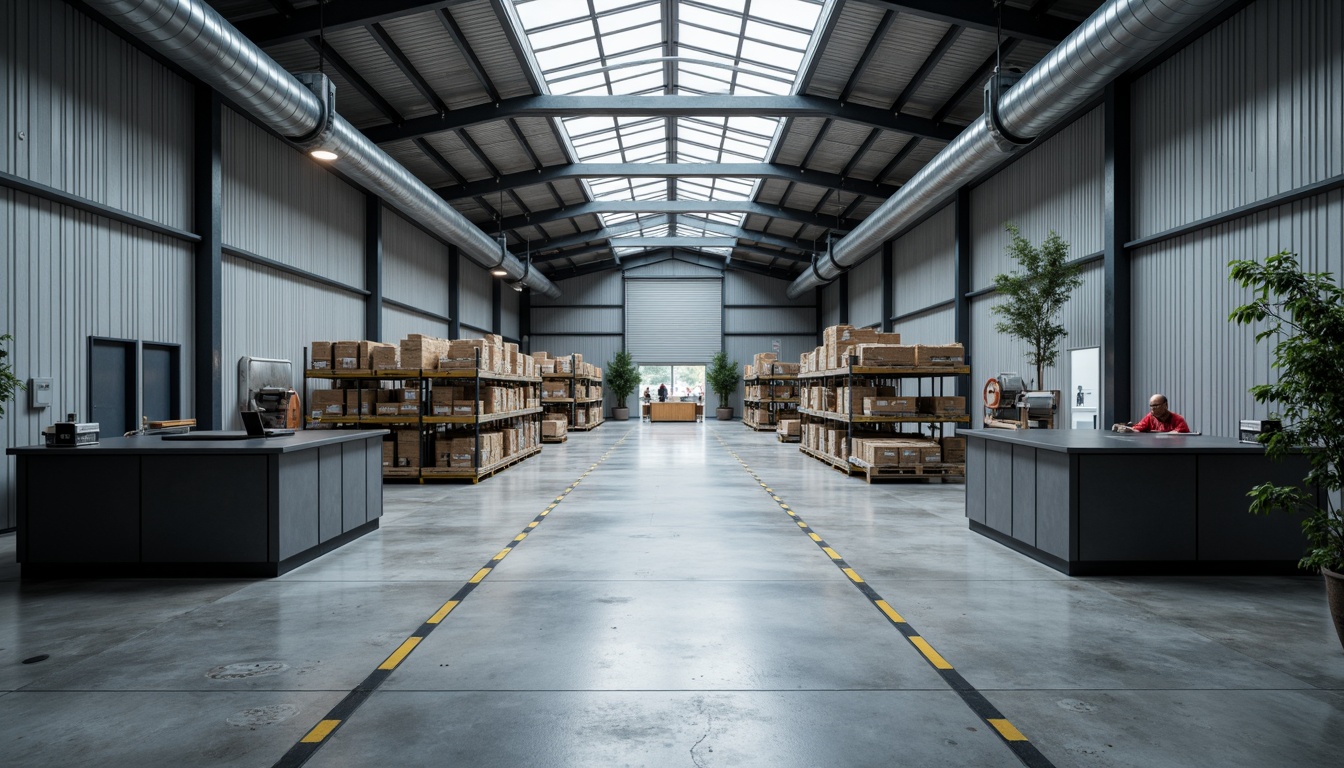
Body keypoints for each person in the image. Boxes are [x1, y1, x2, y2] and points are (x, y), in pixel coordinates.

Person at [1113, 394, 1190, 433]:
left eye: (1156, 406)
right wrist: (1126, 429)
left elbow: (1180, 436)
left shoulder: (1178, 420)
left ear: (1166, 405)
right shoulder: (1150, 417)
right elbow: (1138, 428)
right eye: (1151, 406)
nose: (1153, 409)